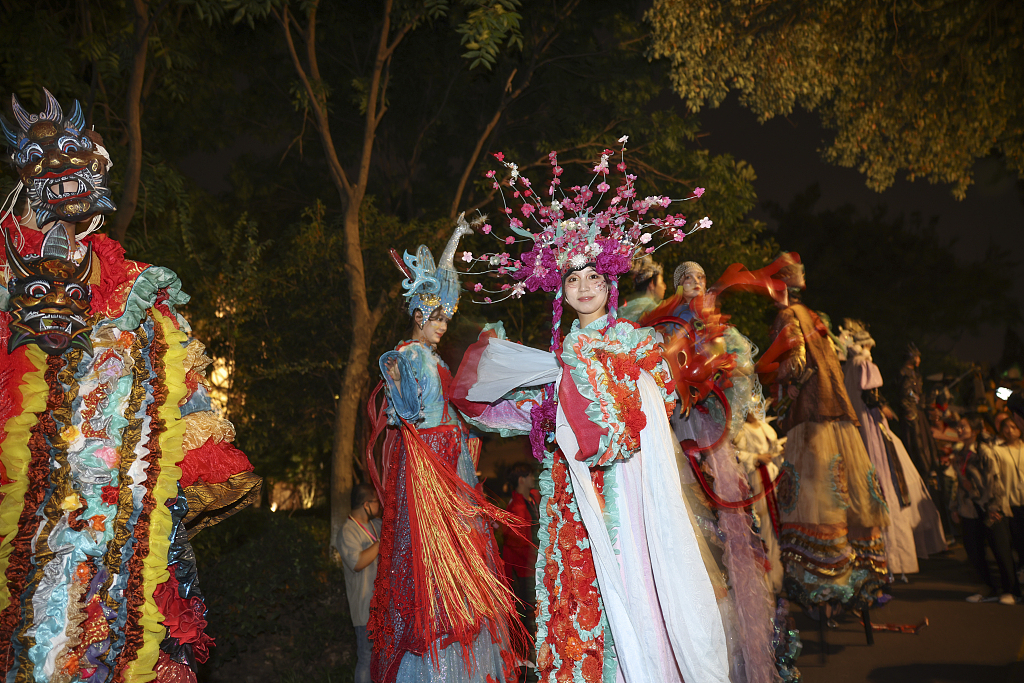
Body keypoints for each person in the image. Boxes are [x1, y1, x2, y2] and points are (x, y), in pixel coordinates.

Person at [0, 89, 260, 681]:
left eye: (81, 154)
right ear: (25, 173)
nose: (82, 166)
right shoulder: (8, 269)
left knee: (130, 638)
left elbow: (177, 396)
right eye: (52, 158)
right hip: (33, 512)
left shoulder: (136, 285)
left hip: (126, 514)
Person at [452, 143, 732, 683]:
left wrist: (602, 386)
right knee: (578, 596)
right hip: (570, 496)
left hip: (628, 498)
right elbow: (526, 417)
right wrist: (530, 402)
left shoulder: (634, 341)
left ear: (609, 281)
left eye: (592, 278)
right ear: (561, 289)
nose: (583, 288)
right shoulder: (555, 360)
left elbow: (662, 401)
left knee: (633, 592)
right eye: (572, 279)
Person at [368, 219, 522, 683]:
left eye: (446, 320)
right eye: (437, 318)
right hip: (430, 470)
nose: (442, 326)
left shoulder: (432, 359)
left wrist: (457, 238)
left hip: (447, 464)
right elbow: (406, 418)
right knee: (435, 567)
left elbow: (442, 413)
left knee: (455, 565)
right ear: (419, 314)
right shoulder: (410, 356)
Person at [760, 253, 890, 613]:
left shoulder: (786, 316)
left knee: (816, 495)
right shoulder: (814, 316)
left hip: (810, 417)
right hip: (837, 413)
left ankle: (825, 584)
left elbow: (795, 362)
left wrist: (777, 380)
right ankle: (861, 577)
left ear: (779, 287)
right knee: (845, 490)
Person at [841, 320, 946, 577]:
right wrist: (885, 408)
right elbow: (871, 397)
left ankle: (873, 558)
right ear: (865, 346)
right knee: (888, 481)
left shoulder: (847, 368)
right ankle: (893, 558)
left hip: (855, 429)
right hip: (871, 426)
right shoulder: (865, 364)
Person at [951, 415, 1019, 604]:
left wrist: (993, 506)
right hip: (969, 509)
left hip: (989, 507)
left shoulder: (984, 451)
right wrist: (955, 507)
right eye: (958, 427)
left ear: (974, 430)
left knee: (1001, 549)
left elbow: (994, 479)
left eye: (963, 426)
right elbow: (959, 482)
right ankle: (989, 588)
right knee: (973, 550)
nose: (959, 430)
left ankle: (1011, 590)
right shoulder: (960, 452)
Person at [340, 484, 383, 683]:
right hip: (365, 609)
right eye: (375, 501)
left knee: (383, 659)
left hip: (383, 607)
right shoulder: (348, 531)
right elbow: (357, 562)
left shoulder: (377, 524)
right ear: (366, 504)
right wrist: (379, 544)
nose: (379, 505)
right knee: (366, 658)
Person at [501, 464, 540, 636]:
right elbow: (515, 539)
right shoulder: (517, 506)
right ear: (522, 480)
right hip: (526, 566)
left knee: (533, 604)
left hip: (535, 562)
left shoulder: (532, 498)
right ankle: (528, 643)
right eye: (530, 475)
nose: (534, 479)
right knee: (529, 606)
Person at [900, 344, 941, 479]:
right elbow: (906, 391)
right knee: (917, 442)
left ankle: (930, 468)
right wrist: (914, 397)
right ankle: (922, 469)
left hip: (919, 412)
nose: (919, 360)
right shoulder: (905, 373)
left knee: (925, 441)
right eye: (917, 357)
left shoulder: (915, 374)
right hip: (912, 412)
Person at [992, 413, 1024, 579]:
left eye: (1013, 427)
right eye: (1006, 428)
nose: (1010, 431)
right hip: (1010, 502)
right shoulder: (998, 450)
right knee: (1017, 540)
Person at [617, 254, 665, 322]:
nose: (664, 287)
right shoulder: (654, 310)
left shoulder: (625, 308)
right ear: (651, 285)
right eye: (662, 282)